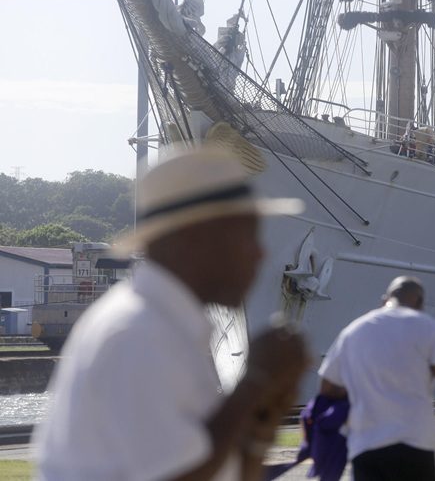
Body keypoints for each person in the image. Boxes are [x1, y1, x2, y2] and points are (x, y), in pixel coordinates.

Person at [34, 146, 310, 481]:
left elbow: (218, 468)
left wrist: (264, 414)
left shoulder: (157, 325)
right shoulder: (140, 334)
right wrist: (255, 383)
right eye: (247, 235)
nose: (260, 253)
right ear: (193, 238)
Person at [318, 276, 435, 481]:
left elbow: (328, 388)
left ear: (384, 300)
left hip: (366, 446)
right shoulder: (427, 327)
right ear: (419, 303)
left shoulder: (353, 332)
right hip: (418, 444)